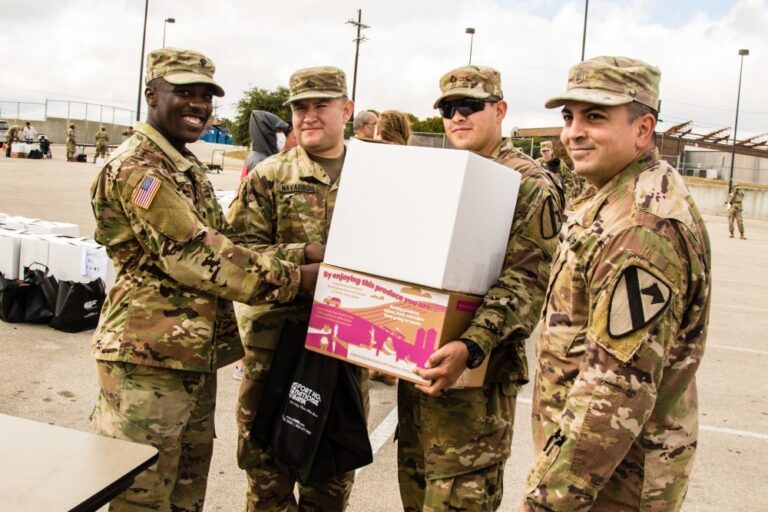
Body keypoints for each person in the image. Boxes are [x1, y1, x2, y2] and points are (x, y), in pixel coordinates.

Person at [89, 47, 315, 512]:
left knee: (185, 494)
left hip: (188, 358)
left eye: (206, 95)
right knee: (142, 495)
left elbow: (226, 241)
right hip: (147, 365)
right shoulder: (141, 169)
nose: (198, 104)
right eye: (184, 92)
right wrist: (297, 277)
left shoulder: (182, 166)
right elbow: (196, 255)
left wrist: (304, 252)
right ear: (152, 94)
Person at [520, 56, 711, 511]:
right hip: (597, 475)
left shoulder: (641, 229)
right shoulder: (613, 192)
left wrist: (546, 502)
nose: (573, 132)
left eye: (596, 117)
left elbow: (613, 389)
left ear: (643, 129)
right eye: (569, 117)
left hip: (612, 485)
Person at [397, 65, 564, 512]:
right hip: (423, 369)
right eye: (449, 108)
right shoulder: (450, 174)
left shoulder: (527, 183)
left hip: (477, 381)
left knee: (458, 499)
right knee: (417, 495)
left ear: (500, 110)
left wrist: (471, 344)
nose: (457, 116)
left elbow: (528, 281)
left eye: (470, 106)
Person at [227, 66, 366, 512]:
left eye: (320, 105)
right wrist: (303, 255)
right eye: (300, 108)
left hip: (346, 349)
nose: (308, 116)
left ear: (346, 109)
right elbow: (238, 255)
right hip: (274, 348)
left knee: (330, 476)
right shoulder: (269, 175)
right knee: (267, 473)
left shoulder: (376, 175)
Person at [242, 110, 291, 176]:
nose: (282, 135)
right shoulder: (262, 162)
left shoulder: (255, 156)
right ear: (267, 133)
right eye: (278, 130)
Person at [536, 140, 579, 204]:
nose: (545, 153)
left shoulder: (560, 163)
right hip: (542, 196)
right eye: (543, 151)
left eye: (547, 151)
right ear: (540, 152)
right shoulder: (537, 163)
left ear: (552, 151)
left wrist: (566, 197)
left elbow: (570, 181)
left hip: (558, 195)